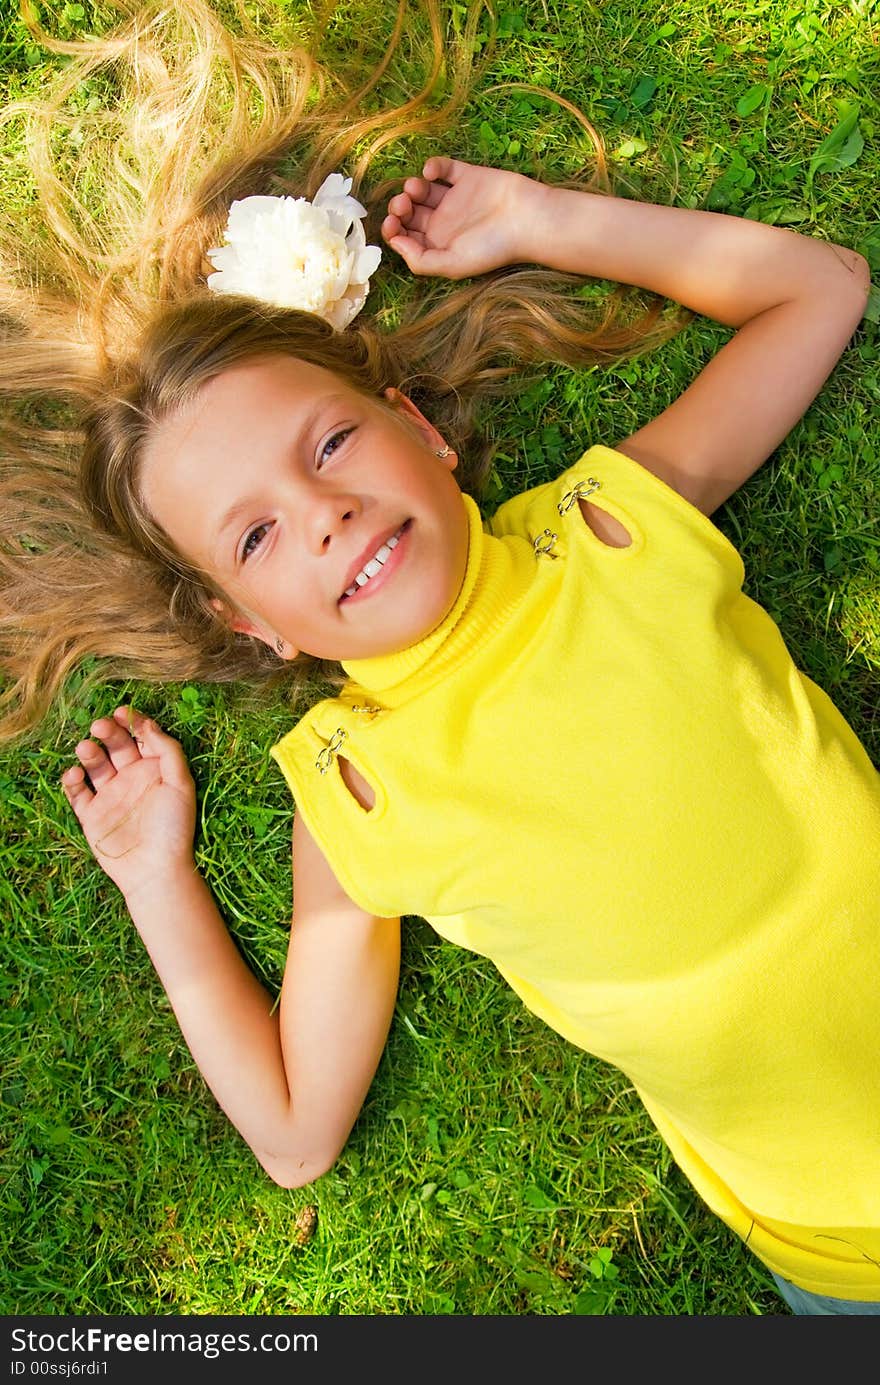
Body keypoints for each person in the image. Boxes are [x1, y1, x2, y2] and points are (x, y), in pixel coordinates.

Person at [2, 0, 877, 1317]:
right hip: (844, 1248)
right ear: (256, 623)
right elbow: (295, 1134)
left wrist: (544, 220)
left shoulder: (615, 522)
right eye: (258, 532)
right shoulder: (356, 792)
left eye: (332, 445)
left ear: (417, 425)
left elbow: (823, 287)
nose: (326, 512)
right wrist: (151, 874)